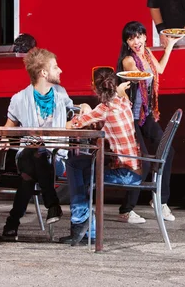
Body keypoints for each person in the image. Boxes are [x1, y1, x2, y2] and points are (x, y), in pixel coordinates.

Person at [1, 48, 89, 240]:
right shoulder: (19, 99)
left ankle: (13, 223)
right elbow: (8, 128)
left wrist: (83, 108)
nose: (60, 71)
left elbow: (70, 119)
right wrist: (6, 138)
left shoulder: (61, 94)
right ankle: (52, 204)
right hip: (27, 157)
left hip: (56, 157)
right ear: (43, 73)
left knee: (28, 174)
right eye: (55, 67)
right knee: (34, 153)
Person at [62, 67, 142, 246]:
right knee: (78, 164)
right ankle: (84, 227)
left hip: (126, 174)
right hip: (136, 169)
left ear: (93, 87)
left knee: (78, 169)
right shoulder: (123, 103)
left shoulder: (103, 109)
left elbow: (73, 124)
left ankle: (81, 225)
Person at [116, 21, 180, 224]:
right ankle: (126, 210)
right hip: (130, 117)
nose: (136, 41)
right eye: (131, 38)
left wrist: (169, 46)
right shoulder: (128, 60)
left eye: (138, 36)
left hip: (146, 115)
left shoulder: (149, 54)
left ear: (144, 37)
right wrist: (136, 75)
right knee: (141, 162)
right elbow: (134, 70)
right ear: (127, 42)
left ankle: (160, 202)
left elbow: (159, 70)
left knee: (168, 151)